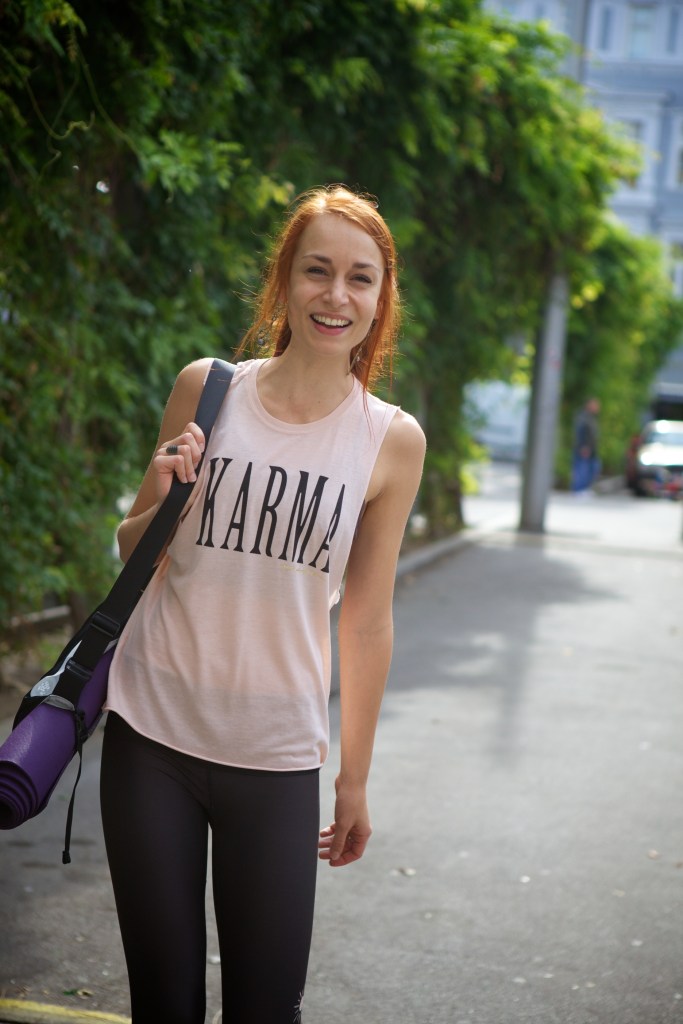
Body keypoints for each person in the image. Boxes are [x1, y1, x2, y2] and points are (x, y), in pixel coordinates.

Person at [99, 184, 426, 1024]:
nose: (335, 295)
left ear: (380, 298)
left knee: (265, 1008)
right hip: (151, 737)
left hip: (277, 756)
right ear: (283, 279)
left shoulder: (390, 441)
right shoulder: (206, 390)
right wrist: (164, 498)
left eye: (359, 277)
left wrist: (353, 780)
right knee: (162, 1005)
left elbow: (366, 620)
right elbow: (133, 554)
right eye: (316, 270)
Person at [571, 397, 600, 494]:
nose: (597, 407)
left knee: (592, 468)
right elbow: (581, 433)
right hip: (584, 448)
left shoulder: (590, 417)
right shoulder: (583, 417)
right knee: (582, 469)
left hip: (591, 449)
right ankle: (579, 489)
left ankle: (585, 489)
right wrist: (584, 446)